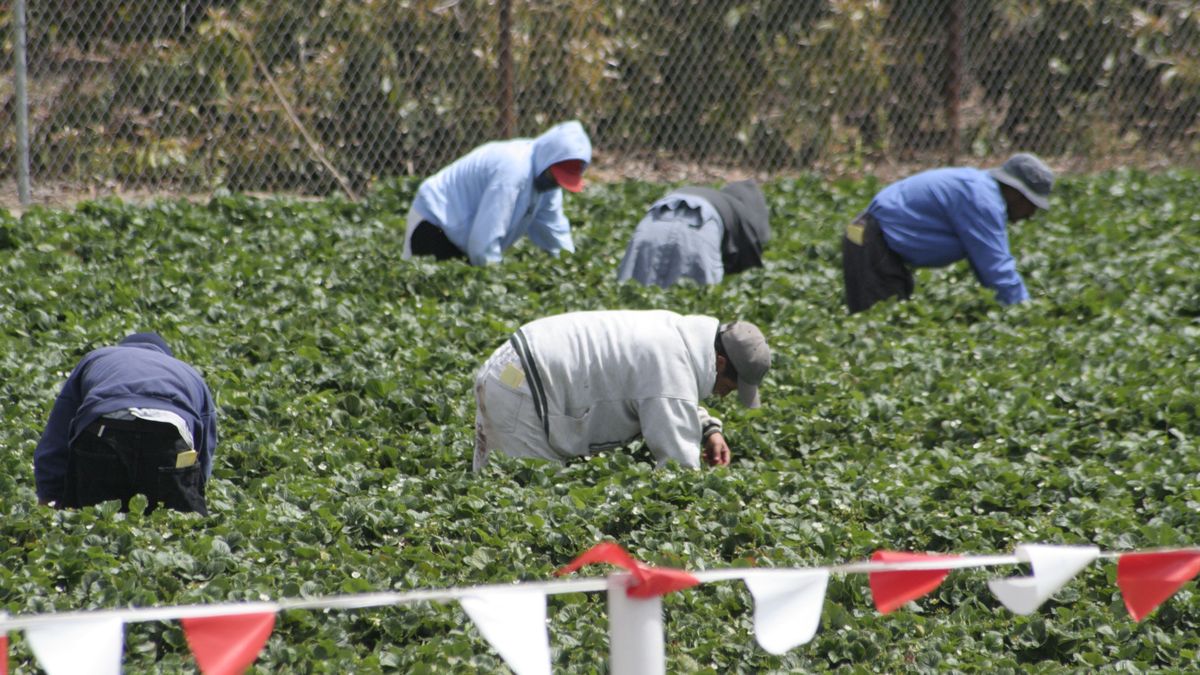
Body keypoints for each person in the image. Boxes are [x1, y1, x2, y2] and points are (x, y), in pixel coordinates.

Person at [472, 310, 771, 471]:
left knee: (497, 483)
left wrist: (708, 430)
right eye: (729, 388)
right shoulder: (672, 366)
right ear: (719, 362)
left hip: (516, 364)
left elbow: (664, 389)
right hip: (523, 384)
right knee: (522, 493)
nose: (723, 396)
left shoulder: (678, 337)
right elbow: (679, 468)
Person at [842, 152, 1055, 314]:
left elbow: (988, 267)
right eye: (1032, 205)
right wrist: (1024, 312)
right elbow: (995, 267)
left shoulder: (979, 188)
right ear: (1017, 193)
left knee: (888, 318)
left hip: (873, 241)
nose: (1031, 214)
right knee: (877, 325)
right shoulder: (982, 199)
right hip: (872, 241)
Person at [34, 332, 217, 514]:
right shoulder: (189, 373)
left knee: (95, 521)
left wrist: (49, 497)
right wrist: (193, 486)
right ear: (165, 355)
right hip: (168, 436)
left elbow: (57, 436)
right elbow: (203, 452)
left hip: (104, 432)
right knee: (178, 525)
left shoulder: (98, 357)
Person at [402, 120, 592, 266]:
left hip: (464, 237)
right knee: (434, 291)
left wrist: (569, 266)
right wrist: (496, 281)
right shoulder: (513, 171)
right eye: (555, 176)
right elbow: (485, 239)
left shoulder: (546, 180)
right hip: (435, 223)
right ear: (548, 160)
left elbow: (553, 228)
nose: (555, 183)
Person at [616, 179, 771, 288]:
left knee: (635, 293)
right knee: (696, 303)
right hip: (699, 227)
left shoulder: (713, 196)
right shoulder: (744, 214)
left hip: (652, 222)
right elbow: (751, 262)